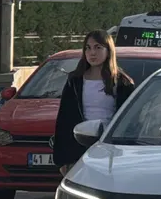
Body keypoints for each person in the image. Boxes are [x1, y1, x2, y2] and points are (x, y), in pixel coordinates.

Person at [54, 30, 136, 175]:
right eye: (88, 47)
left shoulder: (123, 83)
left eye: (98, 47)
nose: (92, 53)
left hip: (111, 149)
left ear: (108, 50)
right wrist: (63, 159)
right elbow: (64, 120)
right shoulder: (75, 81)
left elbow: (131, 121)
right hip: (79, 149)